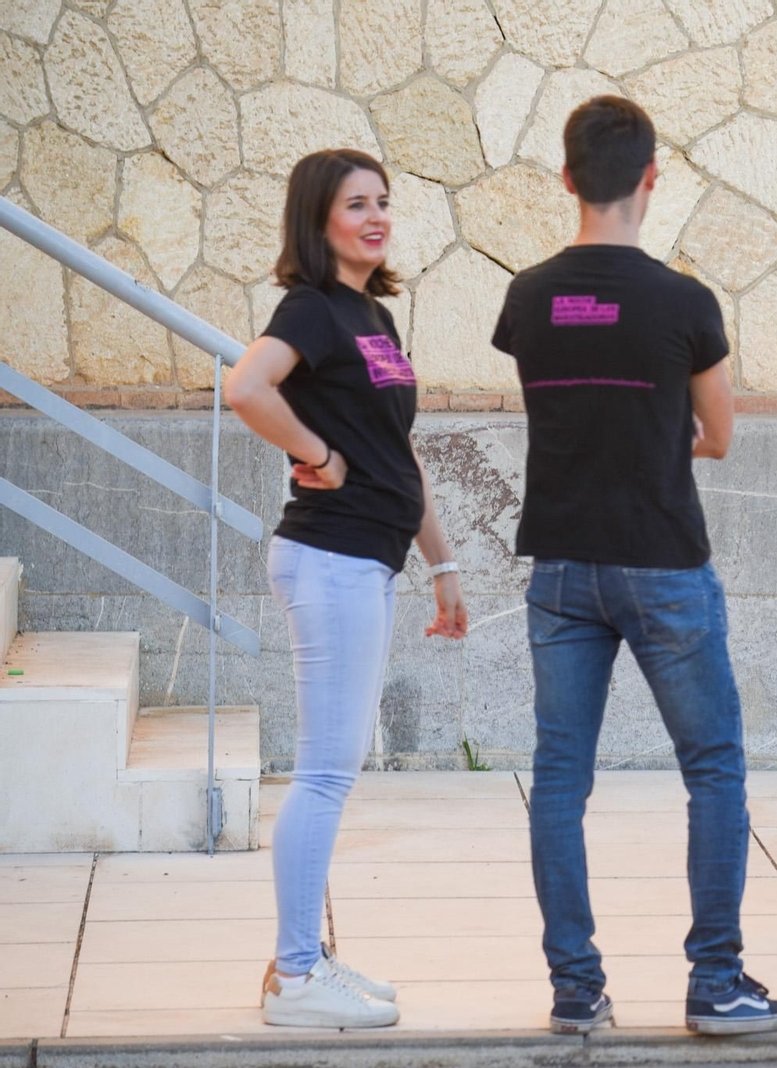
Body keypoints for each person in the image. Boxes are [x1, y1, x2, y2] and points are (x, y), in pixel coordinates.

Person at [491, 96, 777, 1038]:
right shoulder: (686, 303)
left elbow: (558, 407)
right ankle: (715, 983)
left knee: (558, 778)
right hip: (664, 561)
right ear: (652, 178)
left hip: (561, 567)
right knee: (713, 768)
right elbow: (718, 436)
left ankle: (575, 992)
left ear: (567, 178)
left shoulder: (528, 296)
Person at [225, 148, 469, 1028]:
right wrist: (315, 454)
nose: (375, 217)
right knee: (326, 773)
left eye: (382, 202)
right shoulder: (314, 310)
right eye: (355, 204)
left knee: (336, 766)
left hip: (366, 558)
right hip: (329, 558)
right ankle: (295, 977)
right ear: (317, 219)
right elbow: (246, 388)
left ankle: (304, 960)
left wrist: (441, 564)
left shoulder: (371, 317)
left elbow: (400, 455)